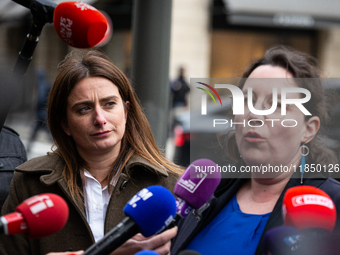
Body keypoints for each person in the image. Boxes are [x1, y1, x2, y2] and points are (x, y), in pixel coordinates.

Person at [0, 49, 182, 255]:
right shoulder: (30, 183)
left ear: (126, 112)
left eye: (109, 104)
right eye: (84, 109)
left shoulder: (169, 186)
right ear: (65, 124)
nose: (100, 118)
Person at [171, 46, 340, 255]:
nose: (254, 115)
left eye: (277, 104)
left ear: (309, 129)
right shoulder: (205, 192)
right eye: (248, 100)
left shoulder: (332, 204)